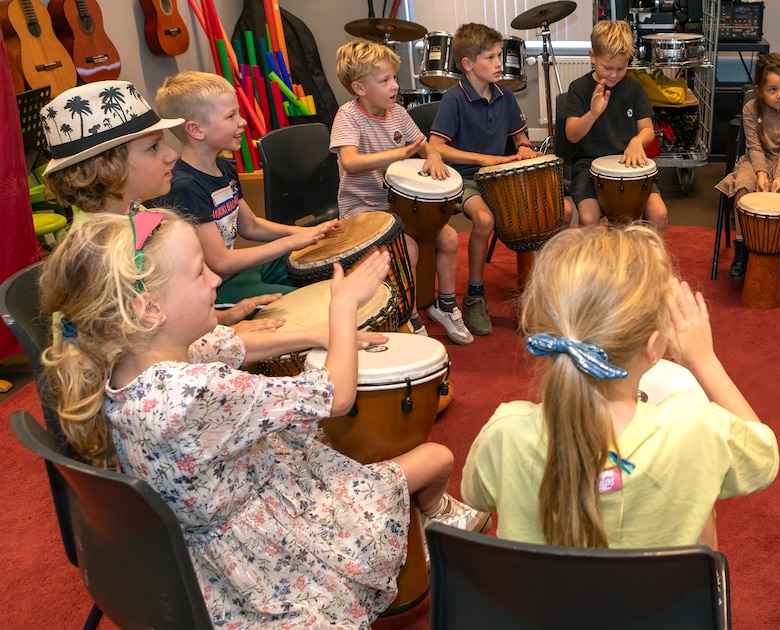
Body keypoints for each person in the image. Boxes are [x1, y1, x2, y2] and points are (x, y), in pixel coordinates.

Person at [37, 208, 490, 627]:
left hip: (190, 549)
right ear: (148, 309)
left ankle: (431, 519)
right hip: (260, 554)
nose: (216, 278)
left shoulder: (129, 362)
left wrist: (323, 334)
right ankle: (432, 520)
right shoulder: (196, 393)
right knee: (435, 456)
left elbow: (232, 345)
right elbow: (336, 397)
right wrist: (342, 306)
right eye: (199, 273)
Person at [460, 225, 779, 548]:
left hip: (542, 600)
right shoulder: (694, 428)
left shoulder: (506, 432)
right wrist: (705, 361)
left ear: (549, 335)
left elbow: (474, 493)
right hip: (659, 600)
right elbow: (764, 457)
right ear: (653, 347)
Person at [38, 80, 274, 329]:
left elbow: (163, 316)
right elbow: (132, 351)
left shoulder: (134, 213)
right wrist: (231, 337)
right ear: (106, 168)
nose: (171, 155)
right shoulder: (101, 255)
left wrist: (225, 320)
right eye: (153, 147)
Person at [151, 71, 338, 306]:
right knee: (312, 301)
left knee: (322, 269)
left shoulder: (222, 167)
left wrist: (304, 234)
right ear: (196, 130)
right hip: (216, 287)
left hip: (239, 272)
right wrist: (290, 242)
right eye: (230, 116)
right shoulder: (185, 187)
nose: (243, 121)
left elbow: (250, 225)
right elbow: (221, 262)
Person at [330, 40, 473, 345]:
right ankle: (407, 313)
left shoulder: (395, 112)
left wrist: (433, 157)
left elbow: (425, 146)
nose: (395, 86)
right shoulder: (348, 116)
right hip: (362, 211)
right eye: (384, 80)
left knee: (447, 237)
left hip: (397, 208)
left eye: (394, 77)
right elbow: (350, 161)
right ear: (359, 88)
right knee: (408, 247)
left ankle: (444, 305)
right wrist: (395, 155)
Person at [428, 23, 543, 338]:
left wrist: (523, 149)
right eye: (490, 57)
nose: (499, 63)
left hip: (497, 177)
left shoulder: (504, 96)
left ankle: (533, 291)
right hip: (464, 179)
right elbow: (436, 148)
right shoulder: (454, 99)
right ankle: (475, 293)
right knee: (483, 218)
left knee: (537, 212)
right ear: (467, 64)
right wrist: (483, 159)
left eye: (499, 56)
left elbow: (520, 137)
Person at [561, 20, 669, 237]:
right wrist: (593, 113)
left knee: (659, 214)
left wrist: (637, 141)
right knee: (589, 218)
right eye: (607, 67)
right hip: (588, 168)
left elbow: (647, 129)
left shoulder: (634, 88)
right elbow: (572, 135)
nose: (614, 74)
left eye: (621, 68)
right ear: (593, 57)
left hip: (628, 166)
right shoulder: (579, 89)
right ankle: (591, 268)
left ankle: (653, 267)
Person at [714, 52, 780, 283]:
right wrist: (761, 173)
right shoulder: (750, 110)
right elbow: (754, 146)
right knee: (743, 188)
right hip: (755, 160)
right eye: (773, 90)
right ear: (759, 89)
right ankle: (742, 246)